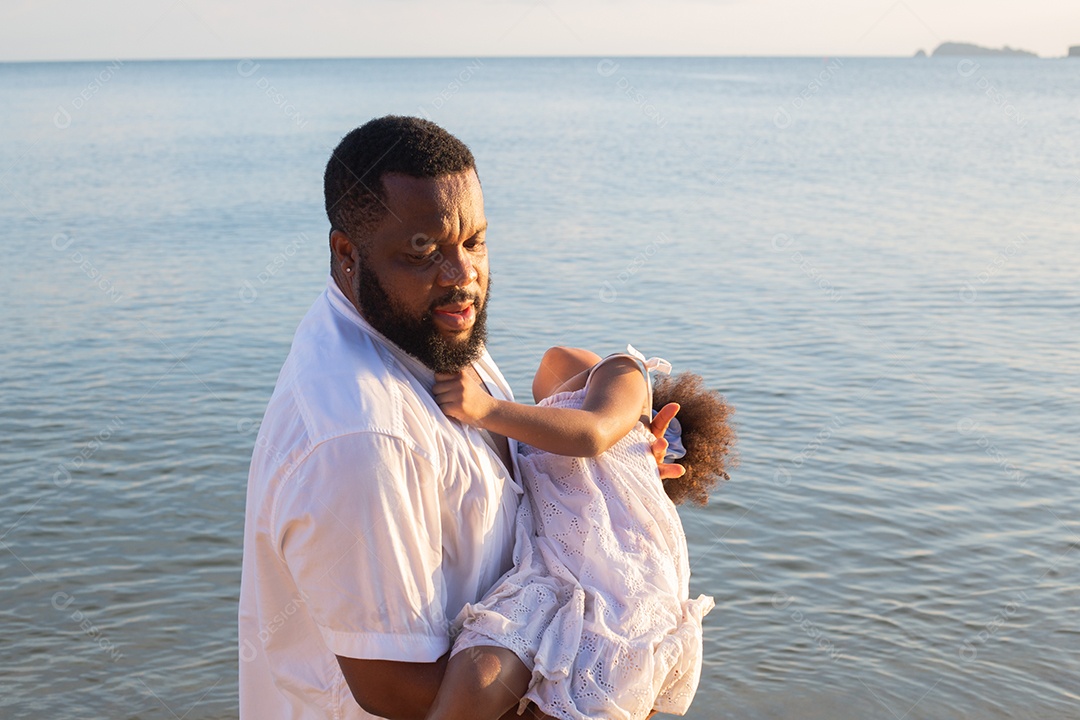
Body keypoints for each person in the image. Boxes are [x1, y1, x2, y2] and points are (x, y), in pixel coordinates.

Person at [238, 115, 683, 720]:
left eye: (473, 241)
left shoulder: (429, 330)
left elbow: (508, 483)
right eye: (422, 250)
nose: (461, 275)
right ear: (348, 252)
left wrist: (609, 481)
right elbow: (400, 689)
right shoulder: (362, 438)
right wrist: (601, 689)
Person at [424, 345, 736, 720]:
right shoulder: (533, 425)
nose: (580, 352)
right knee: (478, 676)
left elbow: (592, 435)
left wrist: (484, 408)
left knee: (600, 681)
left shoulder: (625, 368)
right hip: (549, 571)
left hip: (623, 572)